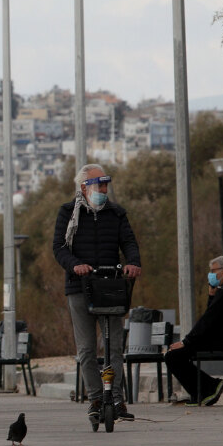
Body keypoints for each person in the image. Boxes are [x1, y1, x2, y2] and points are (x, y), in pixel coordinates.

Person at [52, 164, 141, 423]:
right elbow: (59, 247)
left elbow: (129, 242)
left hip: (110, 285)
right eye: (98, 184)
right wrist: (75, 265)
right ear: (84, 187)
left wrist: (133, 262)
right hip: (79, 286)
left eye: (105, 184)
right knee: (86, 349)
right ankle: (95, 398)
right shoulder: (68, 213)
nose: (103, 189)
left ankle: (117, 398)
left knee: (114, 347)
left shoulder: (116, 213)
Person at [165, 256, 223, 406]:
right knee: (176, 355)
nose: (210, 275)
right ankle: (203, 391)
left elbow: (208, 319)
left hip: (218, 341)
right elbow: (214, 314)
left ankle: (208, 388)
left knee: (172, 356)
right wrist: (211, 296)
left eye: (213, 271)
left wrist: (186, 342)